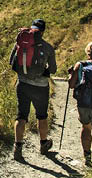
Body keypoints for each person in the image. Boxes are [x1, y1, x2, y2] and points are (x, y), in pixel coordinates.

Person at [9, 19, 57, 160]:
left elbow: (12, 62)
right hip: (41, 88)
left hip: (22, 84)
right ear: (43, 31)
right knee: (42, 116)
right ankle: (43, 144)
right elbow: (53, 69)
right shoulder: (47, 47)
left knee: (21, 116)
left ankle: (18, 146)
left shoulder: (21, 43)